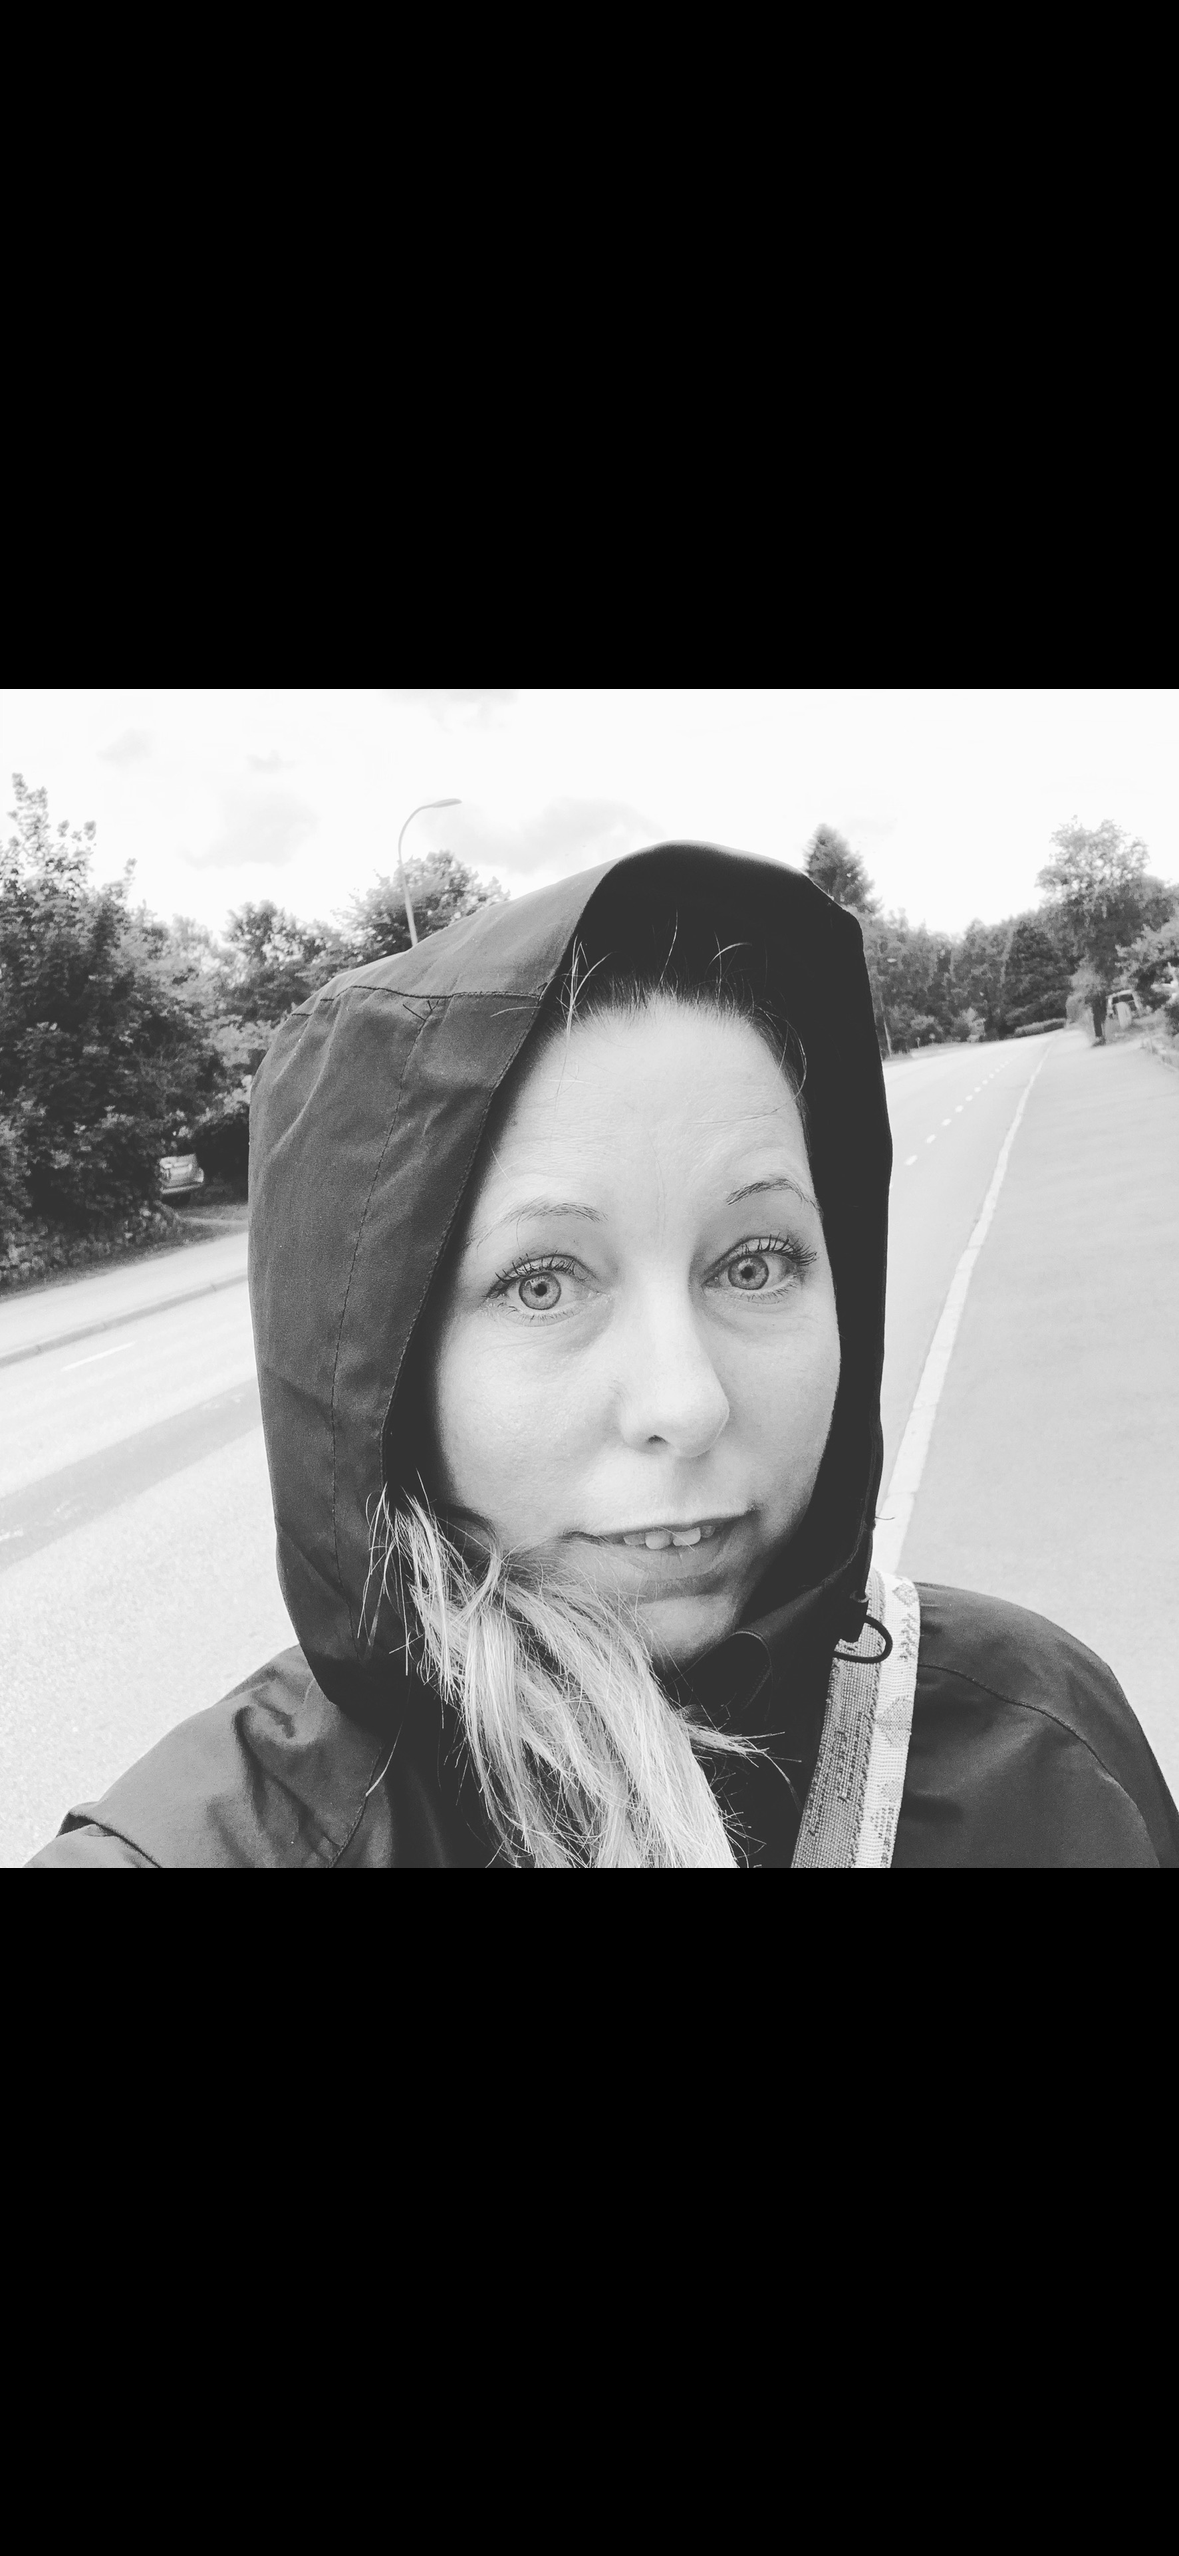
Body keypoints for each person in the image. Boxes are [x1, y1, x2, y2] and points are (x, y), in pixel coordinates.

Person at [26, 843, 1179, 1868]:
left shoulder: (1044, 1757)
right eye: (542, 1282)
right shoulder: (217, 1842)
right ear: (382, 1365)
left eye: (756, 1262)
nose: (688, 1403)